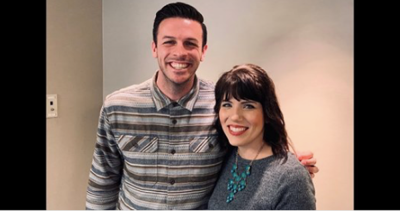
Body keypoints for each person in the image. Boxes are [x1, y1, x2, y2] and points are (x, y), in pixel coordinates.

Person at [86, 2, 318, 210]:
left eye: (190, 43)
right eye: (169, 42)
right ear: (154, 47)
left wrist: (288, 167)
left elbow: (250, 141)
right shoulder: (117, 106)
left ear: (203, 51)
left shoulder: (222, 104)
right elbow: (102, 184)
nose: (180, 52)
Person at [208, 64, 316, 210]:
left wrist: (295, 171)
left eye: (248, 106)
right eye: (227, 104)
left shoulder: (291, 177)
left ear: (267, 113)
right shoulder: (225, 156)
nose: (235, 116)